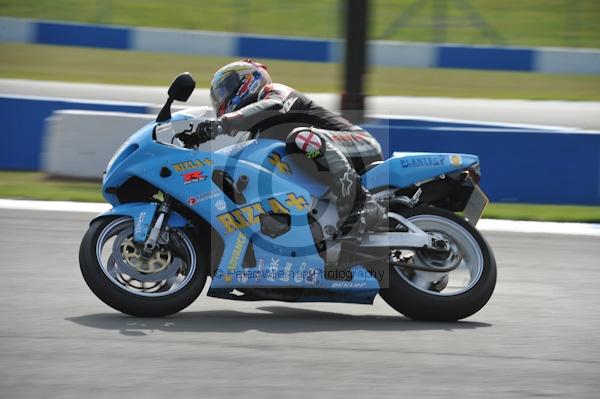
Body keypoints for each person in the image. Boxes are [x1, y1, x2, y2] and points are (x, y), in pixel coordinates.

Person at [193, 59, 385, 235]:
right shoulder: (258, 134)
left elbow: (275, 106)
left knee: (301, 139)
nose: (221, 100)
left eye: (225, 91)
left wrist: (225, 122)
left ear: (246, 82)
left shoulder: (272, 92)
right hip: (332, 161)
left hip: (358, 143)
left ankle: (361, 202)